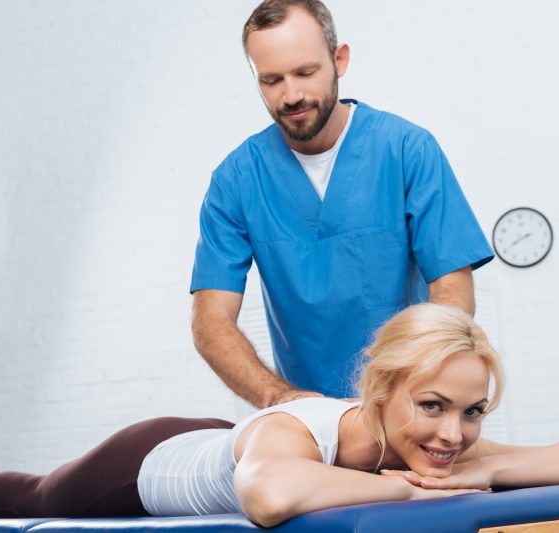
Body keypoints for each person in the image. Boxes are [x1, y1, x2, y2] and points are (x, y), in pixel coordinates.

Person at [0, 304, 559, 527]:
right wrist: (404, 486)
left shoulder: (439, 445)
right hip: (145, 464)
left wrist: (492, 462)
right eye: (433, 405)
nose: (453, 432)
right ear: (381, 390)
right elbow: (269, 495)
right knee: (41, 493)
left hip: (227, 442)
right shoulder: (302, 427)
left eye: (473, 412)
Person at [191, 0, 495, 408]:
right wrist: (280, 398)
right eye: (272, 80)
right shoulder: (235, 181)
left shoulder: (406, 150)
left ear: (340, 60)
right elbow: (210, 323)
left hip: (411, 404)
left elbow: (452, 290)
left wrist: (414, 389)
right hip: (311, 418)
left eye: (305, 72)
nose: (291, 94)